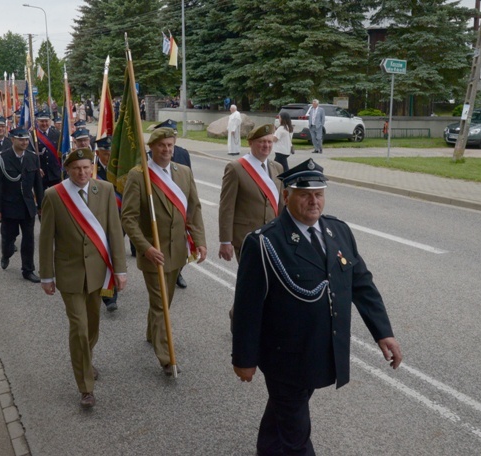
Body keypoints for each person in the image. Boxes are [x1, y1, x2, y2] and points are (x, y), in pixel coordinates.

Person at [231, 158, 403, 456]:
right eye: (305, 194)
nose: (314, 201)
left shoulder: (338, 231)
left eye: (319, 193)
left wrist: (382, 332)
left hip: (322, 350)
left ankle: (268, 449)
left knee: (285, 413)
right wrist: (243, 358)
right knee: (296, 431)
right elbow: (247, 308)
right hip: (285, 357)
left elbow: (361, 283)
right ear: (287, 196)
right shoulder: (265, 243)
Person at [39, 147, 127, 408]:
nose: (82, 172)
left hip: (98, 272)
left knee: (92, 325)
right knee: (78, 327)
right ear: (68, 170)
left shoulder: (106, 190)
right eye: (77, 168)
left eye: (87, 167)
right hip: (69, 274)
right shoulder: (54, 196)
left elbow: (114, 231)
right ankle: (85, 387)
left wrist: (120, 270)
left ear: (93, 168)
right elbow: (46, 240)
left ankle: (84, 358)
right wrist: (46, 276)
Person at [121, 127, 207, 376]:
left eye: (170, 145)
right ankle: (166, 356)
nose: (167, 150)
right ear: (151, 147)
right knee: (161, 305)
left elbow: (194, 209)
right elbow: (128, 218)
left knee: (165, 300)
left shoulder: (184, 172)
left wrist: (199, 241)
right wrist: (145, 247)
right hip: (154, 252)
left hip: (178, 251)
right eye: (162, 145)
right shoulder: (139, 176)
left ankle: (152, 332)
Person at [219, 124, 284, 263]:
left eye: (269, 141)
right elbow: (227, 207)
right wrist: (225, 241)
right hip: (246, 237)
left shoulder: (278, 168)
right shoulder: (236, 168)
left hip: (273, 236)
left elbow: (282, 204)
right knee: (250, 281)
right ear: (250, 143)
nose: (266, 145)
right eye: (261, 141)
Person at [0, 128, 44, 283]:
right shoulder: (2, 158)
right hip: (9, 207)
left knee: (28, 240)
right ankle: (5, 254)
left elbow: (37, 184)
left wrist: (40, 205)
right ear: (12, 140)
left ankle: (28, 270)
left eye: (26, 140)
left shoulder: (32, 157)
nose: (25, 142)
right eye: (21, 140)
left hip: (27, 206)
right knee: (8, 238)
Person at [152, 119, 191, 288]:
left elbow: (189, 183)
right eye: (163, 143)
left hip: (178, 202)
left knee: (178, 244)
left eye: (172, 139)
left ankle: (178, 272)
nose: (167, 149)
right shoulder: (148, 161)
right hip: (159, 202)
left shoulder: (182, 153)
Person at [94, 136, 121, 312]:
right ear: (97, 153)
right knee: (105, 254)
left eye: (111, 153)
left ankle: (114, 286)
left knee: (115, 253)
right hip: (99, 219)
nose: (109, 157)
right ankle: (109, 296)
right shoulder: (91, 171)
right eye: (105, 153)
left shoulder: (120, 169)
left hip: (119, 218)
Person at [34, 111, 62, 190]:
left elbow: (61, 152)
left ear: (50, 121)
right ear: (37, 121)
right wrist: (36, 167)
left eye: (46, 121)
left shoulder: (57, 134)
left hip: (55, 173)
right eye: (42, 121)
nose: (44, 123)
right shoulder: (33, 135)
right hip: (40, 174)